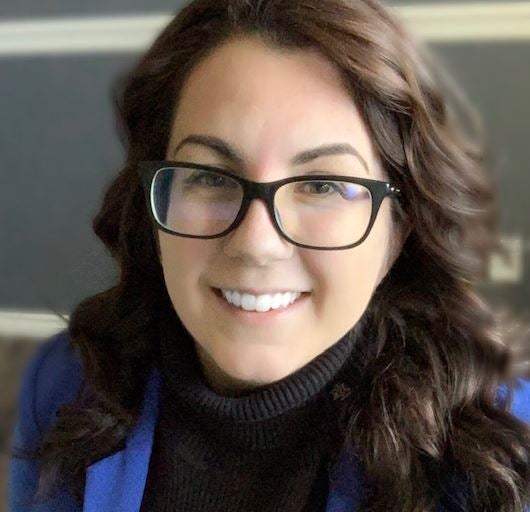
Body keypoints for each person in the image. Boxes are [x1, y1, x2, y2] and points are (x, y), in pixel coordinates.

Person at [8, 0, 530, 511]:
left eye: (323, 185)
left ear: (398, 229)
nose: (256, 243)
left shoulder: (498, 449)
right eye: (210, 176)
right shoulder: (64, 385)